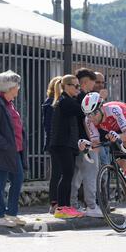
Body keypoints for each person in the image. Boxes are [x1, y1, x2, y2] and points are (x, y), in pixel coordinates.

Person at [79, 92, 126, 191]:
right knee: (122, 167)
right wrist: (87, 146)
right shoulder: (88, 120)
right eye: (87, 114)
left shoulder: (113, 110)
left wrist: (119, 136)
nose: (91, 118)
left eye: (94, 113)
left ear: (101, 108)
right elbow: (96, 145)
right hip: (116, 131)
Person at [0, 70, 28, 227]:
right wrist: (5, 145)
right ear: (11, 87)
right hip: (2, 151)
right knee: (0, 182)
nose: (19, 88)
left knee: (17, 179)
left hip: (14, 151)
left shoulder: (8, 103)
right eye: (17, 85)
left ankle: (11, 213)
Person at [49, 75, 85, 219]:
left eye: (79, 86)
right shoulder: (65, 102)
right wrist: (83, 96)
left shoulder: (68, 100)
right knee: (66, 175)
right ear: (67, 87)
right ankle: (62, 208)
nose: (78, 89)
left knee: (67, 175)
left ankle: (65, 207)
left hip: (67, 144)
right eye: (76, 86)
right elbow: (82, 110)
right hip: (62, 144)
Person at [70, 68, 103, 218]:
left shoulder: (73, 98)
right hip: (88, 142)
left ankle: (73, 204)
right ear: (84, 82)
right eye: (92, 83)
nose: (94, 86)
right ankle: (91, 205)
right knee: (90, 173)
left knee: (76, 175)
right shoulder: (87, 99)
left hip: (77, 141)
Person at [42, 76, 62, 214]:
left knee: (59, 173)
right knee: (57, 173)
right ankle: (54, 203)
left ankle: (56, 202)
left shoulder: (52, 102)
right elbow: (49, 126)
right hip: (56, 143)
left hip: (54, 142)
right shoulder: (52, 103)